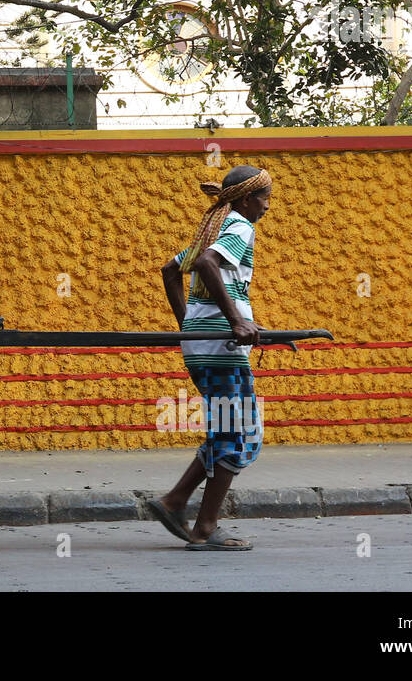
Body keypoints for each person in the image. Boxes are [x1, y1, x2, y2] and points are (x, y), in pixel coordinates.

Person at [147, 165, 272, 551]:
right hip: (222, 349)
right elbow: (204, 265)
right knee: (241, 434)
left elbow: (171, 271)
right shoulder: (239, 227)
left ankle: (178, 504)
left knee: (227, 430)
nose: (267, 207)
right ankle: (202, 525)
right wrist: (234, 319)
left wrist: (191, 325)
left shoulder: (212, 229)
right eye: (265, 198)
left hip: (205, 345)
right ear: (248, 199)